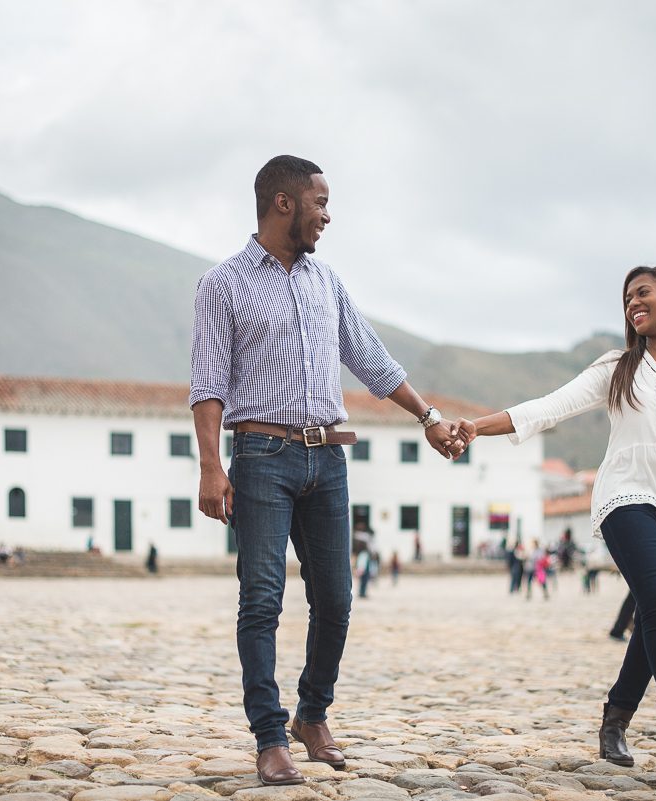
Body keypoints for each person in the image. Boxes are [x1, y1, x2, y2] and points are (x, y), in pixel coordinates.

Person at [190, 155, 467, 787]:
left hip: (330, 458)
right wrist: (212, 466)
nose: (327, 215)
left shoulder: (326, 281)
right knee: (261, 600)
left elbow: (367, 354)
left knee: (337, 601)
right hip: (261, 457)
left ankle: (312, 715)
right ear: (283, 203)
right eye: (319, 202)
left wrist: (427, 417)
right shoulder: (223, 284)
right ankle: (269, 734)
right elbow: (207, 382)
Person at [454, 265, 656, 785]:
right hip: (625, 499)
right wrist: (476, 427)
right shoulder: (619, 366)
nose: (633, 303)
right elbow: (551, 407)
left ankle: (614, 720)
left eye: (643, 293)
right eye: (627, 298)